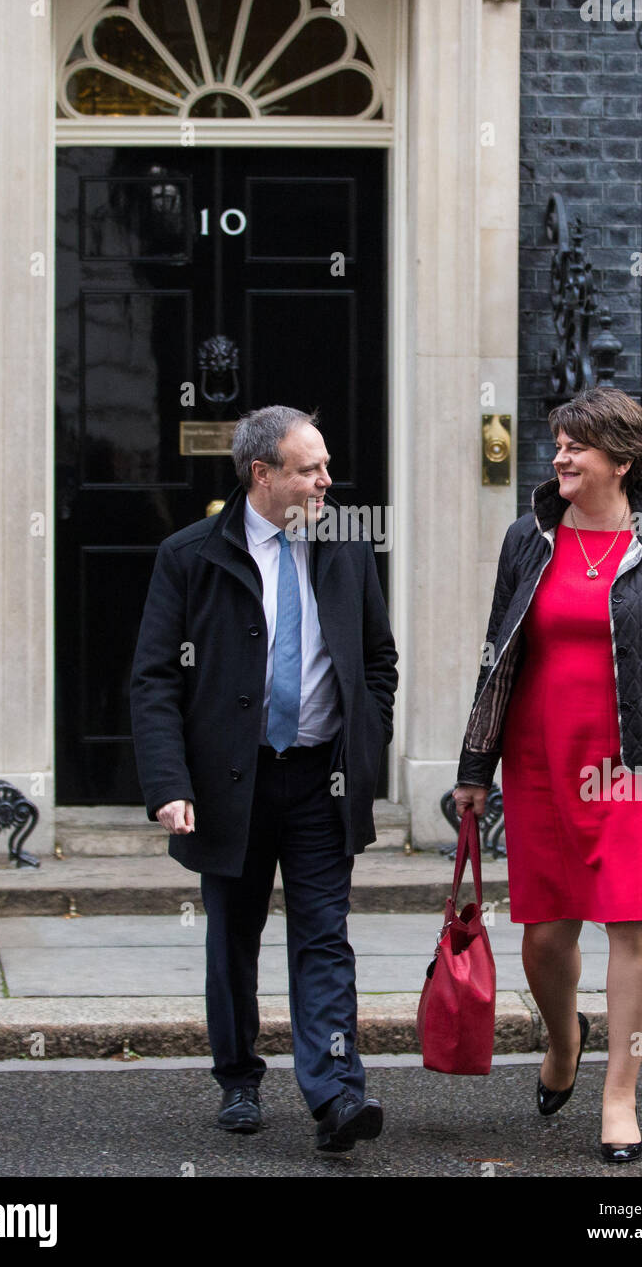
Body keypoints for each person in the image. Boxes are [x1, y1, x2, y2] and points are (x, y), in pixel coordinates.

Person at [453, 387, 642, 1164]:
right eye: (556, 444)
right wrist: (473, 767)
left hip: (639, 763)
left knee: (632, 920)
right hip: (541, 760)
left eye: (575, 447)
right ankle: (563, 1040)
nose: (559, 458)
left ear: (621, 461)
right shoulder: (530, 539)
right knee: (546, 933)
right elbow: (498, 656)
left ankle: (620, 1092)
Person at [130, 405, 397, 1153]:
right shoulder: (191, 555)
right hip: (229, 783)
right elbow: (154, 678)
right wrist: (169, 783)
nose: (326, 480)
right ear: (263, 475)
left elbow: (379, 659)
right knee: (232, 939)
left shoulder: (343, 546)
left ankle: (338, 1093)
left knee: (324, 936)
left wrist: (365, 744)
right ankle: (240, 1078)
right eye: (310, 468)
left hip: (321, 780)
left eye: (326, 464)